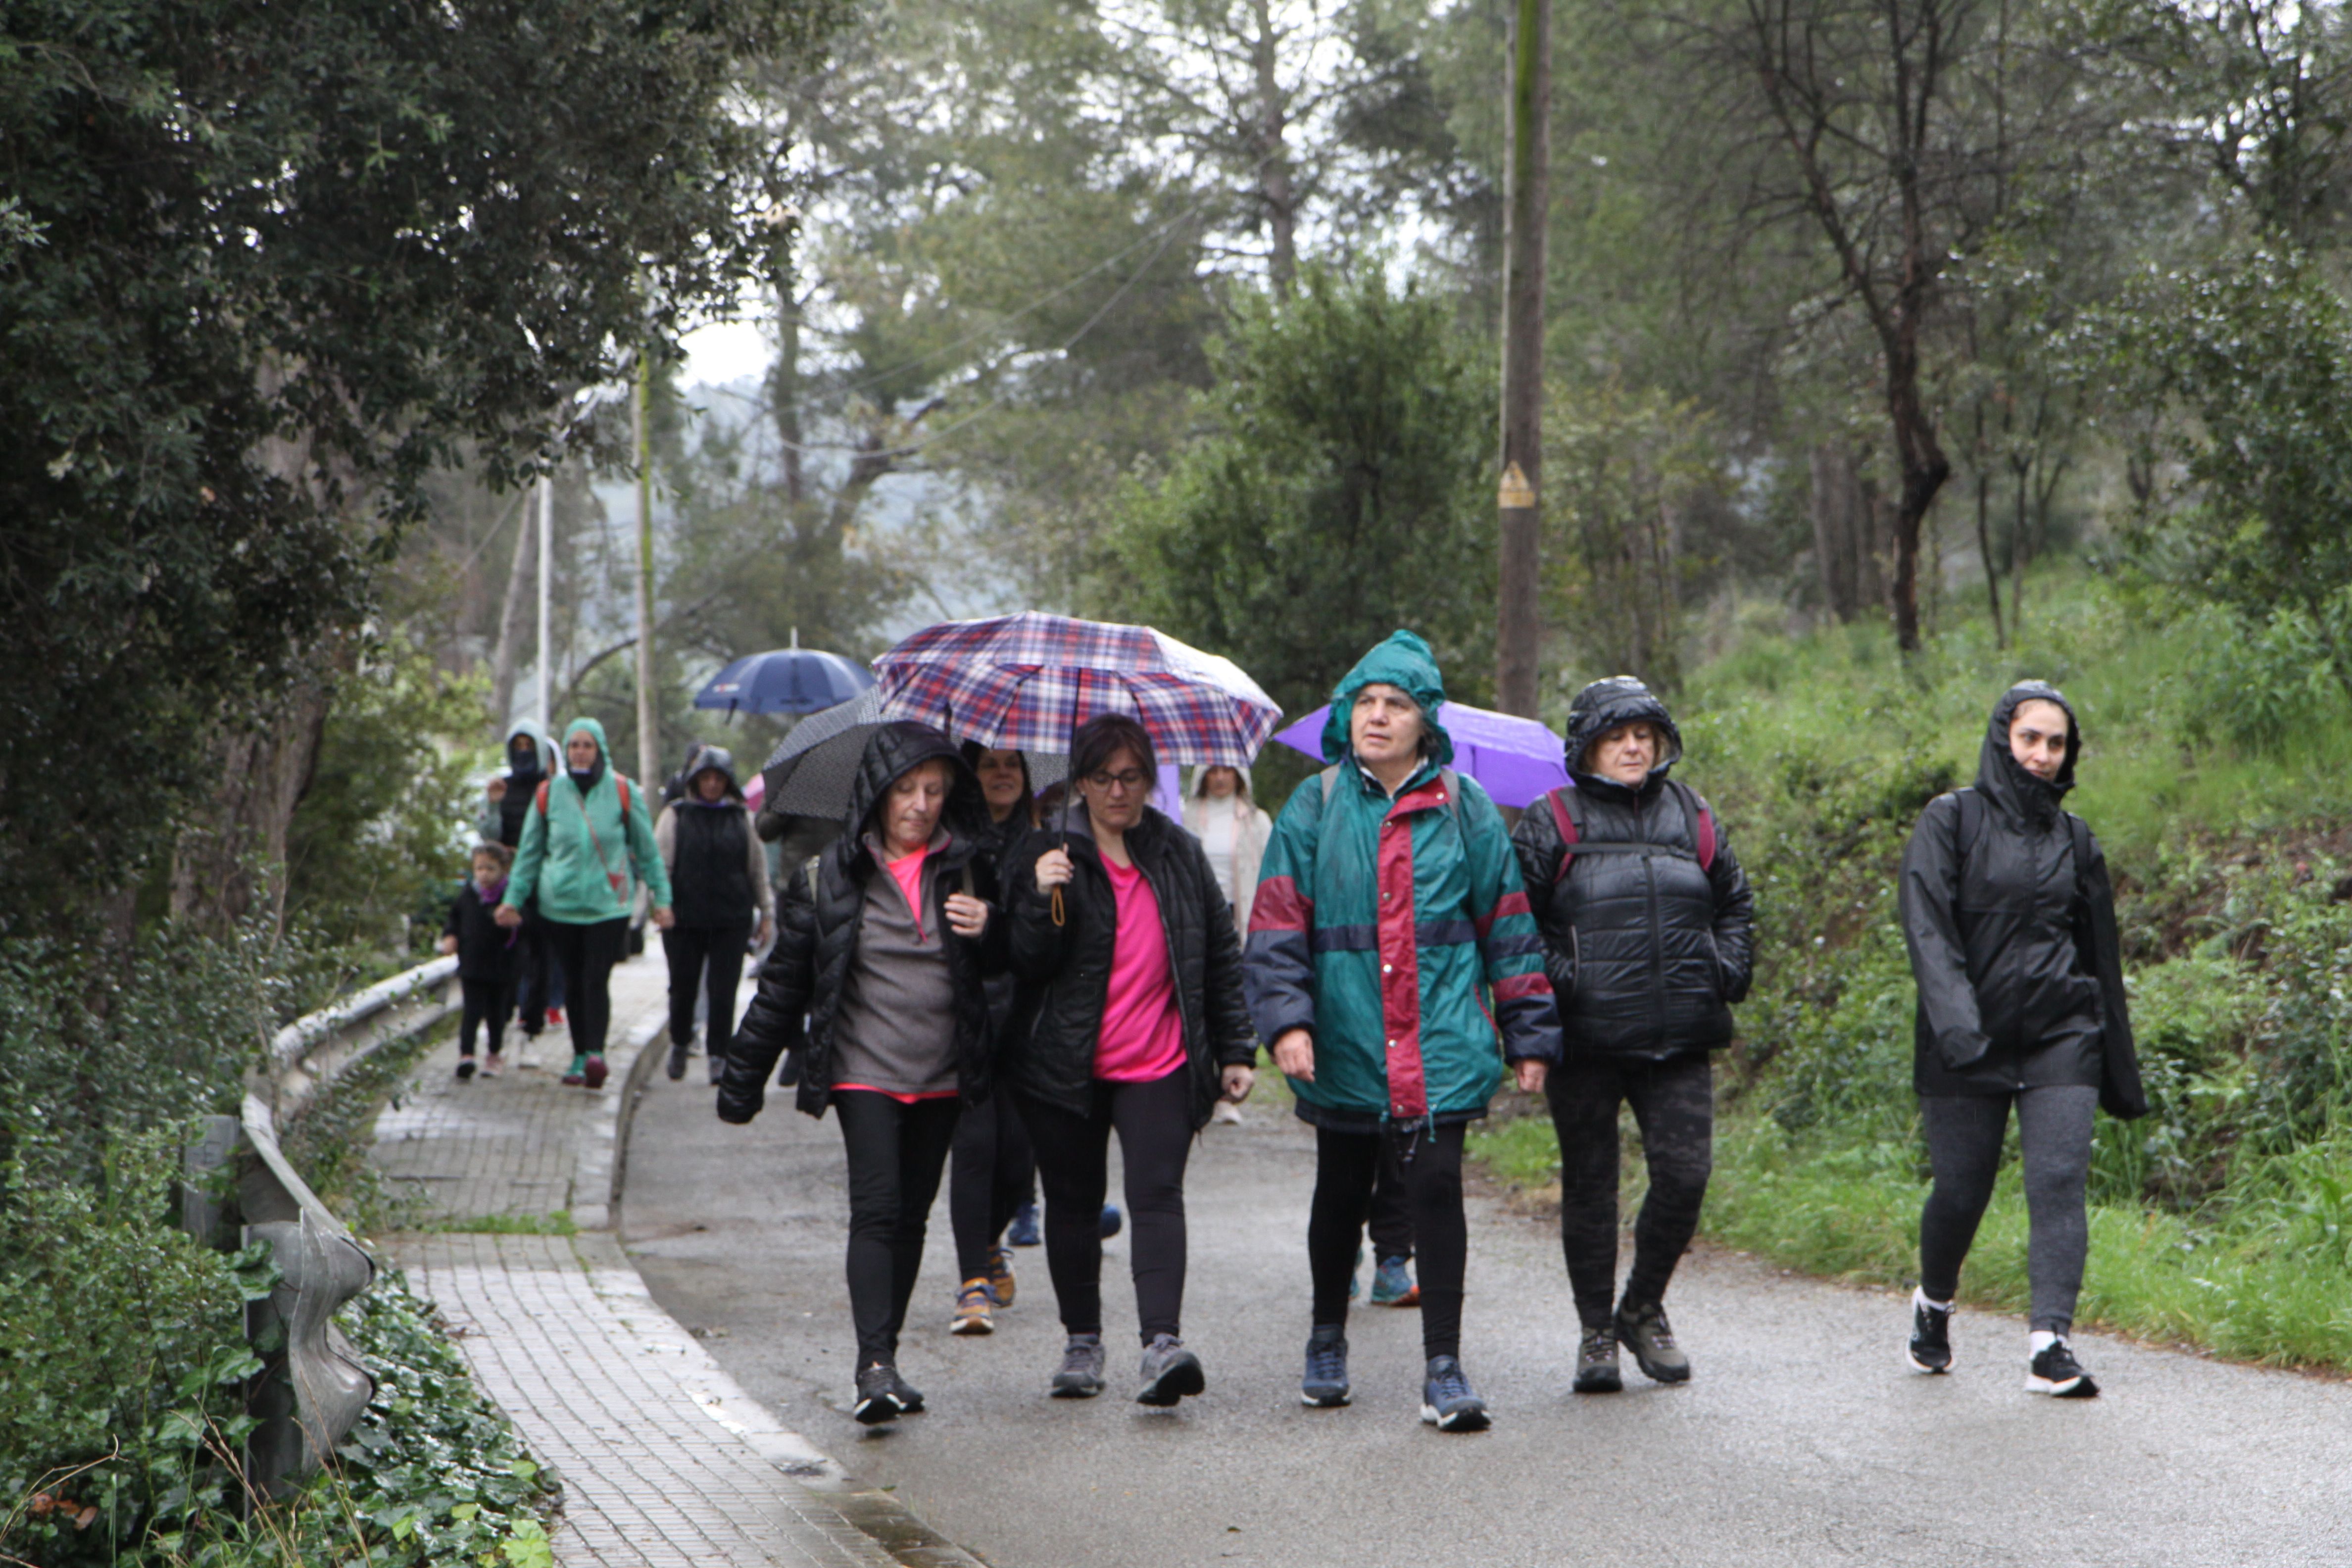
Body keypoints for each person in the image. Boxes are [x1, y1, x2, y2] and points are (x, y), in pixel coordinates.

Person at [1245, 630, 1561, 1432]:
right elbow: (1277, 925)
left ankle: (1443, 1366)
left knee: (1434, 1191)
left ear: (1426, 724)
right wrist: (1286, 1022)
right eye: (1365, 702)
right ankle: (1325, 1336)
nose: (1376, 716)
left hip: (1444, 1039)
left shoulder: (1467, 809)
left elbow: (1508, 926)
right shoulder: (1312, 806)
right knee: (1341, 1191)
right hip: (1346, 1041)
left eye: (1396, 704)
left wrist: (1528, 1032)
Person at [718, 724, 1001, 1424]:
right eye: (906, 789)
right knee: (877, 1209)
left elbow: (1016, 963)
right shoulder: (826, 879)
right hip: (862, 1070)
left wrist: (993, 926)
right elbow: (784, 986)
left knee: (911, 1217)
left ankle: (889, 1358)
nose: (921, 804)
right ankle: (871, 1365)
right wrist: (742, 1080)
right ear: (877, 795)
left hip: (940, 1072)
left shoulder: (969, 869)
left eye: (935, 790)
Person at [1898, 681, 2146, 1397]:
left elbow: (2102, 959)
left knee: (2059, 1182)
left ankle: (2049, 1344)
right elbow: (1927, 929)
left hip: (2059, 1036)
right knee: (1961, 1189)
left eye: (2056, 743)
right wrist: (1958, 1025)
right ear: (2003, 737)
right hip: (1965, 1039)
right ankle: (1934, 1304)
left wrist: (2117, 1065)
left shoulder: (2076, 839)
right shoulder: (1951, 820)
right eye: (2029, 738)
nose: (2041, 755)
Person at [1000, 714, 1256, 1407]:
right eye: (1104, 777)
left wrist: (1236, 1047)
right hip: (1064, 1065)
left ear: (1151, 781)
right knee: (1075, 1205)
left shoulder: (1175, 850)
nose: (1119, 790)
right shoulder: (1045, 849)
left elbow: (1217, 955)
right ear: (1079, 782)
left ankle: (1161, 1346)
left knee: (1157, 1197)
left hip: (1159, 1059)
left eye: (1133, 776)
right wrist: (1036, 893)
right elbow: (1023, 962)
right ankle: (1082, 1342)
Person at [1511, 676, 1756, 1393]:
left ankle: (1642, 1308)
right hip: (1585, 1041)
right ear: (1587, 745)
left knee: (1685, 1177)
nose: (1632, 747)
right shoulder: (1550, 820)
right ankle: (1596, 1333)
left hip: (1680, 1034)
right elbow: (1514, 923)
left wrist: (1724, 969)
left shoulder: (1693, 813)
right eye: (1617, 736)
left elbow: (1735, 902)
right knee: (1591, 1188)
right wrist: (1568, 981)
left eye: (1644, 735)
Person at [496, 717, 673, 1089]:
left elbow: (648, 852)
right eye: (574, 745)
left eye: (587, 745)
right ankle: (579, 1056)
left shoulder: (623, 792)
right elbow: (529, 854)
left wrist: (663, 899)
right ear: (566, 750)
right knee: (574, 981)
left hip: (609, 906)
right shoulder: (549, 794)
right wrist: (512, 900)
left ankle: (596, 1053)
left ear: (599, 751)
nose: (579, 751)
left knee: (596, 978)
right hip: (558, 906)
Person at [945, 745, 1042, 1335]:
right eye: (989, 765)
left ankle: (986, 1242)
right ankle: (972, 1279)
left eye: (1013, 763)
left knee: (1019, 1159)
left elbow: (1056, 934)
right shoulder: (951, 847)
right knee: (976, 1147)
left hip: (1029, 1021)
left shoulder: (1048, 844)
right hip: (967, 1016)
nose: (1003, 774)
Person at [655, 747, 774, 1084]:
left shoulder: (741, 819)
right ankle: (680, 1042)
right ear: (695, 781)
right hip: (684, 920)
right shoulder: (676, 816)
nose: (711, 785)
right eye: (705, 778)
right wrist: (661, 904)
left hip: (731, 919)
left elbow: (757, 870)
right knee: (683, 988)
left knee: (723, 992)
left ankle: (719, 1055)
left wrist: (766, 914)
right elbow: (661, 865)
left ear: (728, 782)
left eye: (718, 779)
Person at [1183, 765, 1275, 1128]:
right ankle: (1199, 1086)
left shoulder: (1257, 821)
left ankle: (1228, 1088)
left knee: (1233, 998)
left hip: (1241, 917)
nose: (1220, 778)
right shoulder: (1187, 817)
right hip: (1196, 916)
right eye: (1213, 770)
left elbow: (1270, 869)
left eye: (1228, 770)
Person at [480, 720, 564, 1045]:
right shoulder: (503, 788)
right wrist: (494, 805)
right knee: (505, 955)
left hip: (544, 887)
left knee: (541, 958)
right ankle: (499, 1023)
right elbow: (488, 837)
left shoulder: (554, 790)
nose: (525, 754)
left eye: (531, 747)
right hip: (507, 885)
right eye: (519, 747)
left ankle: (533, 1025)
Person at [440, 841, 521, 1079]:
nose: (484, 875)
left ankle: (494, 1054)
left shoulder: (511, 897)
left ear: (504, 869)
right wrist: (450, 937)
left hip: (501, 966)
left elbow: (526, 926)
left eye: (490, 869)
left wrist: (516, 923)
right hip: (472, 964)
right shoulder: (469, 895)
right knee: (472, 1011)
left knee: (497, 1013)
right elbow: (454, 919)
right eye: (479, 869)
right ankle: (466, 1056)